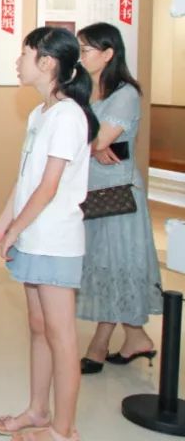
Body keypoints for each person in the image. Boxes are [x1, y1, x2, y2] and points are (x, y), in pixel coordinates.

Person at [0, 27, 98, 441]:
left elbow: (49, 187)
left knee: (61, 336)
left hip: (55, 239)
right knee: (38, 326)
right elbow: (26, 179)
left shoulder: (68, 115)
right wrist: (2, 223)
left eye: (25, 54)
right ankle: (37, 409)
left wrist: (14, 229)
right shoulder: (40, 114)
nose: (18, 61)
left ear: (47, 62)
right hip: (34, 234)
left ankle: (63, 430)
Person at [75, 22, 161, 374]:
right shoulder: (84, 91)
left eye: (85, 50)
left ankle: (99, 346)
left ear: (108, 53)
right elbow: (85, 140)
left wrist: (95, 146)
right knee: (105, 265)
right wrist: (95, 147)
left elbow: (97, 139)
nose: (80, 56)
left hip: (118, 195)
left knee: (115, 265)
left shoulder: (125, 94)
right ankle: (136, 338)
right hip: (91, 191)